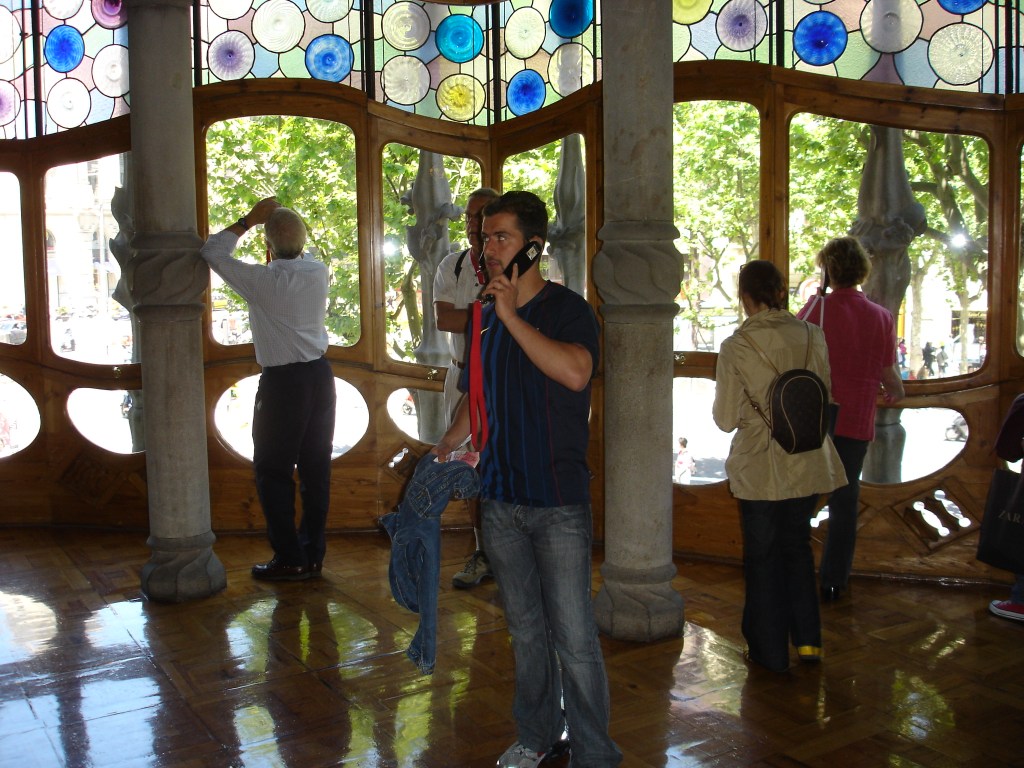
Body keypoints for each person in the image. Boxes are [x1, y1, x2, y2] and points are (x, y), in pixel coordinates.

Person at [434, 191, 621, 767]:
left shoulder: (567, 309)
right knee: (526, 631)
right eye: (483, 237)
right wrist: (443, 448)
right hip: (500, 500)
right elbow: (476, 395)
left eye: (501, 238)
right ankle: (539, 736)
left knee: (575, 638)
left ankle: (595, 753)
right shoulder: (483, 316)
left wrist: (511, 315)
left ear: (532, 247)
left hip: (557, 502)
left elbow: (576, 372)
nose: (486, 248)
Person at [713, 260, 847, 672]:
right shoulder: (813, 334)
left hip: (761, 465)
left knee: (763, 557)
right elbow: (825, 395)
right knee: (797, 547)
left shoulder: (737, 345)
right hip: (809, 459)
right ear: (780, 292)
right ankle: (809, 643)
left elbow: (725, 419)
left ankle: (769, 653)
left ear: (745, 297)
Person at [200, 197, 336, 581]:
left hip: (284, 386)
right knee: (315, 469)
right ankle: (312, 555)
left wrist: (249, 220)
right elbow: (296, 251)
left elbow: (212, 251)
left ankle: (290, 558)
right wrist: (278, 227)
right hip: (320, 378)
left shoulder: (263, 282)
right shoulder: (318, 270)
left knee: (273, 470)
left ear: (267, 245)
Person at [797, 236, 905, 602]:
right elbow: (889, 373)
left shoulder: (815, 311)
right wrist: (896, 391)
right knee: (845, 500)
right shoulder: (881, 317)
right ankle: (834, 580)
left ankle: (793, 570)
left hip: (815, 418)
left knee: (803, 495)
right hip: (856, 418)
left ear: (828, 271)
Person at [433, 187, 499, 589]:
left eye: (483, 215)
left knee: (498, 462)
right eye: (470, 217)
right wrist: (494, 313)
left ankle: (505, 552)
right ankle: (481, 550)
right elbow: (444, 320)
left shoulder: (507, 264)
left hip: (499, 379)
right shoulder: (452, 265)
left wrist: (473, 315)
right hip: (460, 378)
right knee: (468, 466)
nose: (474, 224)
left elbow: (462, 319)